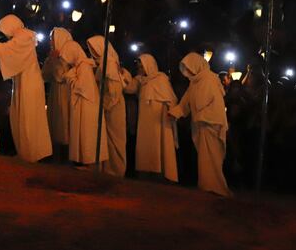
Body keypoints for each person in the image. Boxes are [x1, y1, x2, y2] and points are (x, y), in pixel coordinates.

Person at [0, 15, 52, 162]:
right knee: (22, 117)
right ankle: (26, 151)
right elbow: (8, 51)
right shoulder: (23, 37)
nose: (6, 35)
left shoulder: (23, 36)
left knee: (29, 119)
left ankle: (32, 153)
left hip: (29, 84)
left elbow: (7, 50)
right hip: (24, 82)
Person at [169, 52, 232, 197]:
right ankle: (207, 187)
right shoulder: (194, 82)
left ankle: (216, 188)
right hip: (202, 126)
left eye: (189, 68)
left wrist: (202, 116)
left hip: (212, 125)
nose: (188, 72)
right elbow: (186, 102)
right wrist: (175, 112)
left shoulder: (209, 79)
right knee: (204, 159)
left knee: (213, 159)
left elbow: (210, 103)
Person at [124, 53, 179, 182]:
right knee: (145, 146)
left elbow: (171, 99)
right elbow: (128, 88)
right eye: (138, 67)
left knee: (159, 145)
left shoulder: (161, 79)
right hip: (145, 122)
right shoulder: (140, 80)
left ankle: (159, 174)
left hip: (158, 121)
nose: (140, 70)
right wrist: (122, 73)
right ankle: (146, 172)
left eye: (141, 67)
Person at [59, 40, 109, 166]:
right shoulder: (80, 66)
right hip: (83, 105)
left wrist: (70, 77)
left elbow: (82, 87)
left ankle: (89, 164)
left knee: (87, 136)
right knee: (83, 135)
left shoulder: (84, 66)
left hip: (87, 107)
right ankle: (85, 162)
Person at [87, 35, 127, 177]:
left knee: (114, 140)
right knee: (106, 139)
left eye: (93, 48)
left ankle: (115, 171)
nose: (92, 51)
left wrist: (103, 106)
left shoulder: (108, 63)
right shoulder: (106, 62)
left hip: (112, 107)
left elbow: (114, 91)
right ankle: (106, 169)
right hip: (109, 106)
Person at [41, 28, 73, 152]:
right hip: (55, 92)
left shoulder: (67, 57)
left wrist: (54, 60)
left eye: (52, 40)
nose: (50, 42)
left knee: (63, 123)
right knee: (54, 123)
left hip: (65, 93)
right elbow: (45, 75)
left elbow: (60, 76)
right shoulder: (54, 56)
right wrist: (50, 60)